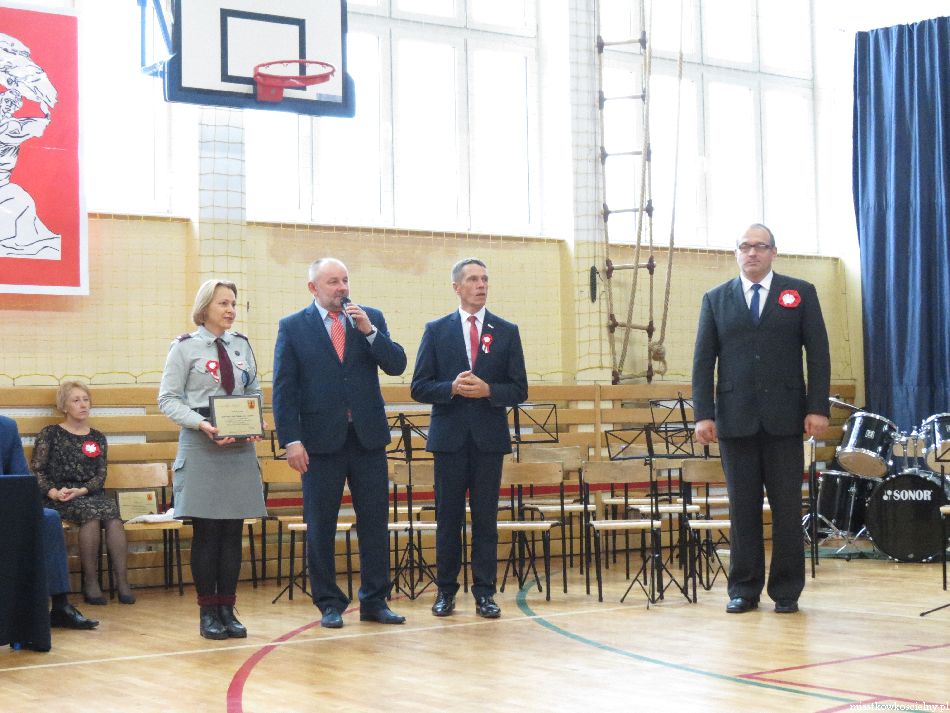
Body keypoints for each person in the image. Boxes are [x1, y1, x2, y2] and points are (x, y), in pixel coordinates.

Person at [691, 223, 830, 615]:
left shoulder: (800, 293)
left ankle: (786, 591)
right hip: (735, 421)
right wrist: (703, 414)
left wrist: (817, 407)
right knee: (742, 509)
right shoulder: (716, 299)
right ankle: (743, 589)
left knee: (787, 509)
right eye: (745, 246)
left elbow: (818, 353)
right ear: (736, 253)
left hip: (786, 420)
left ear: (773, 252)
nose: (752, 252)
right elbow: (703, 361)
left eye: (760, 246)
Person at [273, 258, 407, 629]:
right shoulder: (293, 326)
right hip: (319, 443)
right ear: (313, 287)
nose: (342, 288)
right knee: (321, 526)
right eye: (333, 281)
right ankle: (329, 603)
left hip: (367, 439)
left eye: (345, 280)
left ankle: (375, 601)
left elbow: (396, 365)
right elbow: (284, 389)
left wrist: (370, 332)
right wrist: (291, 440)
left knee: (375, 523)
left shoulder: (369, 317)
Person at [411, 257, 528, 618]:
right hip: (449, 440)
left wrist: (489, 390)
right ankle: (445, 591)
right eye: (474, 279)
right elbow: (419, 386)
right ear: (456, 287)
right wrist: (451, 388)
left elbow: (519, 389)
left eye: (485, 279)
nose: (481, 285)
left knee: (485, 520)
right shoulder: (436, 330)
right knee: (448, 519)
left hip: (488, 440)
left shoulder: (506, 330)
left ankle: (484, 593)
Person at [158, 280, 267, 640]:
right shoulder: (184, 347)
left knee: (233, 531)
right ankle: (207, 611)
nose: (231, 310)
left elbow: (252, 389)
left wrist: (255, 421)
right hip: (201, 441)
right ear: (205, 307)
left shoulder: (241, 345)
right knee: (207, 532)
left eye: (233, 303)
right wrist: (201, 423)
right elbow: (168, 399)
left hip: (238, 445)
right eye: (223, 303)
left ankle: (227, 609)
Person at [32, 381, 135, 606]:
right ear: (64, 406)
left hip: (87, 493)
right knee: (92, 514)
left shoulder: (97, 437)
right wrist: (53, 492)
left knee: (112, 512)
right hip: (58, 496)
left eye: (86, 400)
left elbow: (100, 475)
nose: (83, 404)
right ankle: (90, 582)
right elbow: (38, 470)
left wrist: (82, 490)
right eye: (76, 400)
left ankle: (123, 581)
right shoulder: (50, 433)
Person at [1, 414, 97, 632]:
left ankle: (61, 606)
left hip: (4, 506)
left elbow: (21, 479)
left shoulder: (6, 427)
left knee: (50, 518)